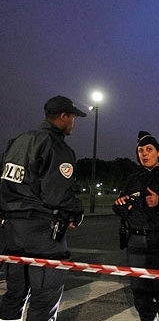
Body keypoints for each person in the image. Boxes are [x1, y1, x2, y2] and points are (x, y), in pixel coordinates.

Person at [0, 95, 86, 321]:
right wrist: (76, 211)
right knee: (44, 298)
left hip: (11, 231)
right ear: (64, 116)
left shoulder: (16, 141)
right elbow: (56, 193)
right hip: (42, 232)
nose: (74, 123)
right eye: (73, 117)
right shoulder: (56, 146)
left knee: (14, 294)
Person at [113, 131, 159, 321]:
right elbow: (120, 204)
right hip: (136, 243)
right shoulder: (133, 179)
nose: (144, 154)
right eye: (140, 150)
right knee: (140, 295)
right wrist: (120, 205)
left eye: (149, 149)